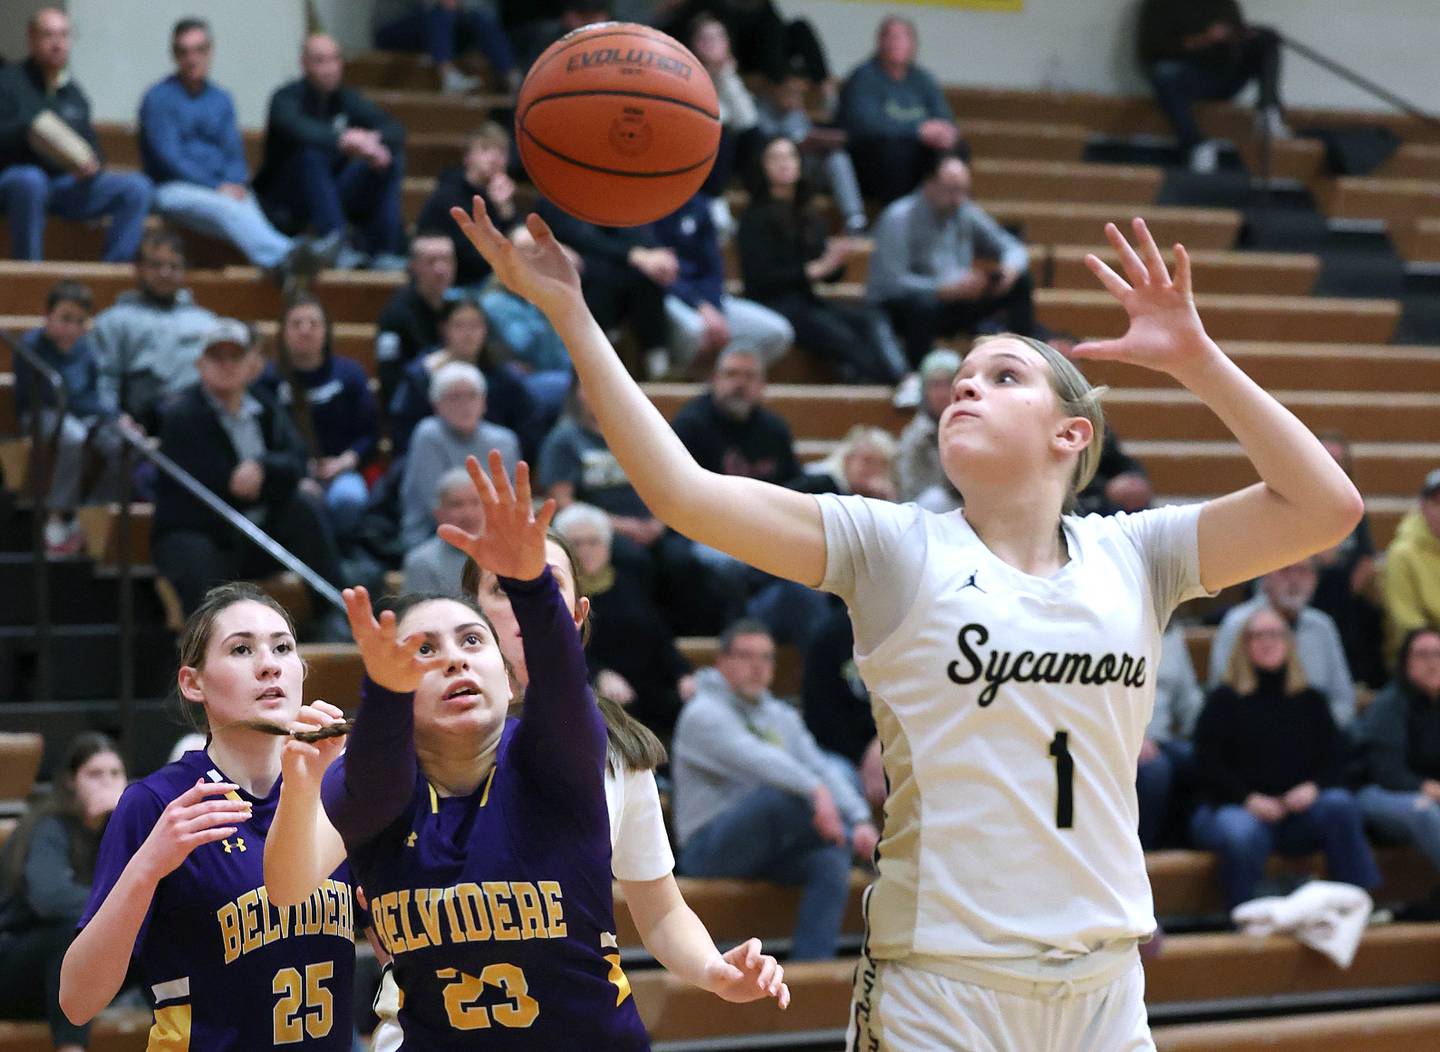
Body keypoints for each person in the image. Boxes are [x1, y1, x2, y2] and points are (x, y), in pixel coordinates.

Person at [454, 195, 1367, 1048]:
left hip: (1105, 984)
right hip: (942, 983)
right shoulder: (893, 546)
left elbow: (1327, 508)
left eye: (1003, 377)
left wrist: (1198, 360)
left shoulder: (1141, 553)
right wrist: (573, 314)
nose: (965, 389)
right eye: (960, 379)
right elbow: (683, 492)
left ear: (1072, 435)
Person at [266, 457, 789, 1049]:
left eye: (469, 641)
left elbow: (661, 909)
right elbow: (290, 883)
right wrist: (376, 704)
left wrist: (712, 971)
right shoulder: (375, 769)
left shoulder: (590, 748)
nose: (456, 657)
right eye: (427, 648)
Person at [58, 583, 359, 1047]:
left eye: (283, 647)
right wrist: (147, 867)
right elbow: (78, 1001)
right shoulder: (158, 804)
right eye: (241, 649)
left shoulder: (335, 790)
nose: (269, 664)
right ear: (192, 683)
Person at [673, 619, 878, 960]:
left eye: (767, 658)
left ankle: (809, 974)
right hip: (708, 850)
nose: (758, 667)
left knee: (828, 860)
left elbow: (819, 765)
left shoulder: (781, 715)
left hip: (767, 847)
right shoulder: (702, 714)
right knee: (781, 796)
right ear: (721, 662)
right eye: (746, 656)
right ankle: (857, 846)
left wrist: (859, 820)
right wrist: (818, 793)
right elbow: (760, 761)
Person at [149, 320, 348, 623]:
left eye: (236, 357)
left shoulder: (265, 406)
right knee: (194, 553)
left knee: (303, 507)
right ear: (200, 364)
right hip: (203, 533)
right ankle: (206, 645)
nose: (227, 365)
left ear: (251, 364)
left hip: (254, 533)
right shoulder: (182, 415)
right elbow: (219, 487)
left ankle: (334, 617)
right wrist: (270, 483)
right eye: (217, 357)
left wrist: (263, 467)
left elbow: (296, 459)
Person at [1190, 606, 1379, 910]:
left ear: (1289, 643)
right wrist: (1248, 799)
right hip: (1236, 807)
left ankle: (1358, 906)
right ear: (1244, 645)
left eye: (1275, 634)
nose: (1267, 642)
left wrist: (1313, 788)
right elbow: (1207, 764)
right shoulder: (1223, 700)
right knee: (1240, 833)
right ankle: (1245, 918)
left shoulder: (1311, 700)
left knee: (1340, 805)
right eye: (1257, 636)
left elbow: (1335, 758)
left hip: (1297, 812)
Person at [140, 18, 334, 283]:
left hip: (221, 189)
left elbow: (234, 153)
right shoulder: (158, 99)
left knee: (243, 200)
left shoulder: (221, 99)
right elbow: (169, 158)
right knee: (229, 207)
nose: (192, 58)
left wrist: (235, 182)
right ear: (174, 55)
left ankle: (284, 262)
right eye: (184, 51)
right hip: (172, 190)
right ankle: (287, 254)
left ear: (210, 51)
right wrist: (216, 186)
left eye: (199, 50)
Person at [540, 383, 735, 635]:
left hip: (652, 525)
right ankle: (640, 635)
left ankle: (685, 636)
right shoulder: (564, 439)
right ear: (578, 394)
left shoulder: (640, 434)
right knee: (634, 562)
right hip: (602, 530)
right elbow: (562, 500)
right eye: (590, 387)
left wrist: (659, 522)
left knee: (683, 561)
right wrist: (622, 526)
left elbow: (669, 483)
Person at [738, 135, 906, 383]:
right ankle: (878, 386)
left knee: (870, 318)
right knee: (842, 337)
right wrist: (813, 270)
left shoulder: (809, 215)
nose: (784, 163)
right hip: (773, 305)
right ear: (763, 167)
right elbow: (758, 280)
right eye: (775, 158)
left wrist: (834, 259)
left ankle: (903, 377)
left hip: (806, 300)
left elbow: (828, 275)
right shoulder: (753, 218)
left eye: (790, 156)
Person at [0, 733, 126, 1052]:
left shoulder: (125, 832)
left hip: (77, 977)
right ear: (72, 781)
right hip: (16, 966)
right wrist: (122, 909)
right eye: (95, 774)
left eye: (115, 774)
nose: (107, 783)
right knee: (73, 936)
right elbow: (50, 900)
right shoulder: (48, 826)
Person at [0, 8, 153, 263]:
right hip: (17, 184)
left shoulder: (74, 94)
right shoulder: (8, 82)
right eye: (48, 35)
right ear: (32, 39)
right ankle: (30, 274)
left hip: (65, 187)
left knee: (137, 187)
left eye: (63, 35)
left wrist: (93, 165)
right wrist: (29, 129)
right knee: (30, 180)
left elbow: (93, 149)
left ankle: (111, 277)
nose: (57, 43)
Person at [868, 154, 1040, 367]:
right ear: (929, 184)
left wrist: (1009, 269)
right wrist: (941, 289)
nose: (958, 198)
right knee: (924, 305)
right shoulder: (898, 217)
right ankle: (918, 375)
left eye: (963, 191)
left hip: (958, 300)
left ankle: (1022, 359)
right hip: (910, 309)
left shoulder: (964, 210)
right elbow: (890, 283)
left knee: (1021, 281)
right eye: (950, 190)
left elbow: (1011, 246)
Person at [254, 34, 407, 270]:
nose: (329, 68)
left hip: (333, 193)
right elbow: (299, 129)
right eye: (320, 61)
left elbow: (395, 129)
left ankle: (386, 251)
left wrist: (371, 141)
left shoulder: (346, 98)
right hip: (288, 200)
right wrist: (345, 139)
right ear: (304, 64)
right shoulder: (285, 97)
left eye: (335, 59)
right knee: (311, 156)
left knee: (386, 158)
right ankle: (337, 245)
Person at [554, 501, 695, 739]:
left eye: (593, 542)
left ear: (608, 547)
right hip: (593, 690)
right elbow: (561, 649)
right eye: (576, 543)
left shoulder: (629, 581)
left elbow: (658, 634)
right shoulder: (556, 593)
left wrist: (682, 673)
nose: (586, 550)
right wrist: (599, 674)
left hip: (648, 685)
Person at [15, 281, 130, 557]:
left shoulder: (86, 348)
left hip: (81, 412)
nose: (72, 328)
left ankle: (92, 511)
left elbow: (91, 393)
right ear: (48, 314)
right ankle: (55, 515)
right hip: (40, 412)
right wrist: (109, 413)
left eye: (80, 321)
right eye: (65, 318)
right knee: (72, 435)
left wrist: (117, 418)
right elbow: (51, 396)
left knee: (122, 442)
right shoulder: (30, 345)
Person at [256, 294, 380, 541]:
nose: (305, 330)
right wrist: (298, 471)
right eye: (296, 323)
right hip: (289, 473)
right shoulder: (267, 380)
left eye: (314, 323)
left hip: (341, 470)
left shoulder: (350, 374)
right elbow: (262, 438)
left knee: (350, 499)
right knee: (301, 502)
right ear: (283, 332)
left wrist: (343, 462)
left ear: (326, 331)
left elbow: (370, 434)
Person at [650, 190, 794, 377]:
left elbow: (714, 267)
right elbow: (659, 273)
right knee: (697, 331)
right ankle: (683, 380)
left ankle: (726, 379)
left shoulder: (700, 205)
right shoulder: (646, 206)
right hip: (667, 295)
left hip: (709, 298)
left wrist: (711, 305)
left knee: (779, 332)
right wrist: (699, 305)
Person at [89, 228, 218, 434]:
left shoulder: (207, 321)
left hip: (206, 415)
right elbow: (105, 380)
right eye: (155, 265)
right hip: (147, 419)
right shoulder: (115, 320)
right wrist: (113, 420)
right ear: (138, 269)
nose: (165, 273)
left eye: (173, 266)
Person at [1137, 0, 1287, 174]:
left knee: (1267, 37)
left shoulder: (1223, 4)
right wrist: (1204, 39)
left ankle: (1268, 110)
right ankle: (1196, 145)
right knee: (1163, 72)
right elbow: (1151, 50)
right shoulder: (1160, 5)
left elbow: (1236, 36)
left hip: (1224, 76)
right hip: (1186, 78)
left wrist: (1239, 36)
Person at [1207, 558, 1357, 730]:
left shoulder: (1323, 627)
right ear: (1265, 577)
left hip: (1316, 737)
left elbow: (1343, 700)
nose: (1294, 580)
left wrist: (1318, 732)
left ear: (1315, 579)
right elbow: (1219, 698)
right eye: (1285, 570)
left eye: (1303, 571)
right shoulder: (1238, 624)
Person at [536, 196, 673, 381]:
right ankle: (600, 351)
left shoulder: (601, 190)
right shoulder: (553, 195)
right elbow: (582, 237)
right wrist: (633, 254)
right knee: (600, 272)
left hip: (612, 269)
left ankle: (657, 362)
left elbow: (625, 229)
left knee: (647, 276)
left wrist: (652, 253)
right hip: (573, 268)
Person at [387, 296, 544, 458]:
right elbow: (403, 433)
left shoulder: (505, 379)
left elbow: (527, 430)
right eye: (459, 325)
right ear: (444, 328)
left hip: (490, 463)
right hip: (434, 461)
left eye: (475, 326)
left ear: (485, 330)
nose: (468, 334)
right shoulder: (421, 376)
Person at [835, 15, 963, 204]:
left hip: (919, 157)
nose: (898, 43)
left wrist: (944, 132)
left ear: (913, 44)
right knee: (893, 152)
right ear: (880, 41)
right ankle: (900, 217)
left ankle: (948, 208)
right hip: (874, 160)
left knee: (956, 148)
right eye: (893, 37)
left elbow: (945, 118)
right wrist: (917, 131)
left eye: (904, 37)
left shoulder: (923, 79)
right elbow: (865, 127)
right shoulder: (863, 78)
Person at [399, 361, 520, 548]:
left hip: (493, 535)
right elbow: (435, 504)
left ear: (484, 402)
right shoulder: (427, 434)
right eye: (454, 397)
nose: (465, 405)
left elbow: (508, 502)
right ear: (436, 404)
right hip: (433, 535)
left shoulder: (505, 440)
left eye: (472, 396)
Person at [1355, 628, 1440, 879]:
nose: (1432, 663)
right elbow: (1387, 773)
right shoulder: (1389, 705)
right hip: (1378, 793)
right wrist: (1433, 790)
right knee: (1424, 811)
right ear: (1406, 662)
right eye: (1423, 655)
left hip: (1430, 792)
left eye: (1437, 654)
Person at [1312, 431, 1384, 688]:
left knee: (1370, 615)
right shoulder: (1298, 500)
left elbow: (1367, 558)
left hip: (1344, 595)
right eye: (1325, 458)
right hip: (1309, 591)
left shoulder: (1353, 505)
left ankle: (1363, 682)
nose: (1332, 465)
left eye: (1338, 460)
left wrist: (1349, 587)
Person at [671, 347, 802, 487]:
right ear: (714, 379)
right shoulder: (690, 426)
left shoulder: (775, 429)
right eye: (731, 374)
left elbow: (793, 485)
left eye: (750, 376)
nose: (740, 384)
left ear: (763, 384)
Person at [800, 602, 886, 813]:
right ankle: (857, 841)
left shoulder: (913, 630)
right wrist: (863, 755)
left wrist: (887, 742)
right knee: (834, 781)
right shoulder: (828, 636)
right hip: (845, 755)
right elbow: (820, 717)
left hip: (902, 743)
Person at [415, 123, 521, 289]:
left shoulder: (501, 198)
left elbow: (517, 248)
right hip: (455, 286)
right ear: (467, 157)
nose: (494, 158)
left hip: (489, 282)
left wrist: (505, 211)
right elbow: (472, 261)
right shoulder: (447, 197)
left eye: (501, 152)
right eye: (485, 149)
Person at [1137, 624, 1204, 850]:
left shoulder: (1171, 632)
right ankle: (1142, 854)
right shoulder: (1108, 625)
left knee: (1204, 760)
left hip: (1163, 740)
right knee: (1156, 769)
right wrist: (1135, 738)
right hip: (1122, 740)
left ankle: (1187, 851)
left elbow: (1189, 701)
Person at [375, 233, 460, 405]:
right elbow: (391, 377)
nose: (440, 269)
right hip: (415, 403)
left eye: (447, 260)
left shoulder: (458, 308)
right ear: (413, 266)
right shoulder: (395, 315)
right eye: (431, 261)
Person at [372, 0, 518, 95]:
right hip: (395, 27)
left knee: (481, 19)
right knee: (439, 12)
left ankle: (512, 77)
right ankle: (448, 75)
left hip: (440, 30)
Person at [1381, 468, 1440, 668]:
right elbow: (1408, 624)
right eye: (1437, 502)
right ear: (1423, 506)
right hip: (1416, 660)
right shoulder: (1402, 554)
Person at [895, 348, 960, 503]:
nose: (942, 393)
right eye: (936, 385)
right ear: (924, 391)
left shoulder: (978, 426)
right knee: (936, 499)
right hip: (932, 512)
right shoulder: (915, 436)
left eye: (948, 384)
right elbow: (910, 492)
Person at [402, 467, 482, 592]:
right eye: (457, 504)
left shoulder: (505, 555)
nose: (468, 514)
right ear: (438, 513)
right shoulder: (422, 563)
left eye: (476, 502)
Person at [792, 424, 899, 501]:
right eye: (867, 461)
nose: (873, 469)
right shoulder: (816, 483)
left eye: (881, 464)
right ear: (847, 459)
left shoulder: (879, 495)